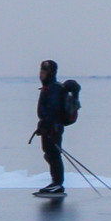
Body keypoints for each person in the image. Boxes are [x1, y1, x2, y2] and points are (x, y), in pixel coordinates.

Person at [33, 60, 68, 198]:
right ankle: (55, 183)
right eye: (41, 72)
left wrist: (46, 126)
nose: (41, 75)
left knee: (53, 154)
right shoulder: (48, 87)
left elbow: (52, 110)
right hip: (49, 127)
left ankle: (58, 184)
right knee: (49, 154)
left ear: (51, 73)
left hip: (53, 128)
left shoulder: (53, 88)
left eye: (44, 72)